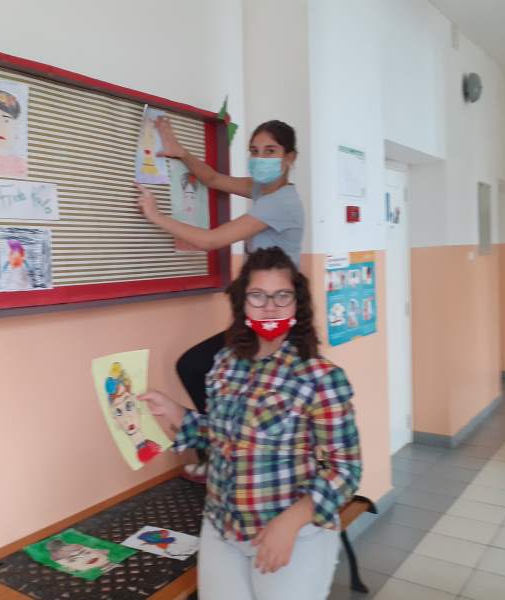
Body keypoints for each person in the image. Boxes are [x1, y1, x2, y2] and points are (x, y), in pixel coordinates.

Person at [140, 247, 361, 600]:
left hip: (291, 533)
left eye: (282, 296)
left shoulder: (320, 377)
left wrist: (291, 521)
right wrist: (175, 412)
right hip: (221, 527)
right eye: (257, 295)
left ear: (297, 305)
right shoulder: (225, 363)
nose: (269, 307)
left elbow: (344, 469)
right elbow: (221, 437)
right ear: (243, 303)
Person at [137, 118, 304, 480]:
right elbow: (212, 179)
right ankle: (221, 457)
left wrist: (155, 216)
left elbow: (211, 240)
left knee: (202, 369)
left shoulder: (281, 203)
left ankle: (226, 460)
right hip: (255, 314)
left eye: (271, 151)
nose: (261, 158)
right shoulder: (263, 191)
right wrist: (179, 151)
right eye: (255, 151)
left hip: (276, 318)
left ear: (290, 157)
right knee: (205, 371)